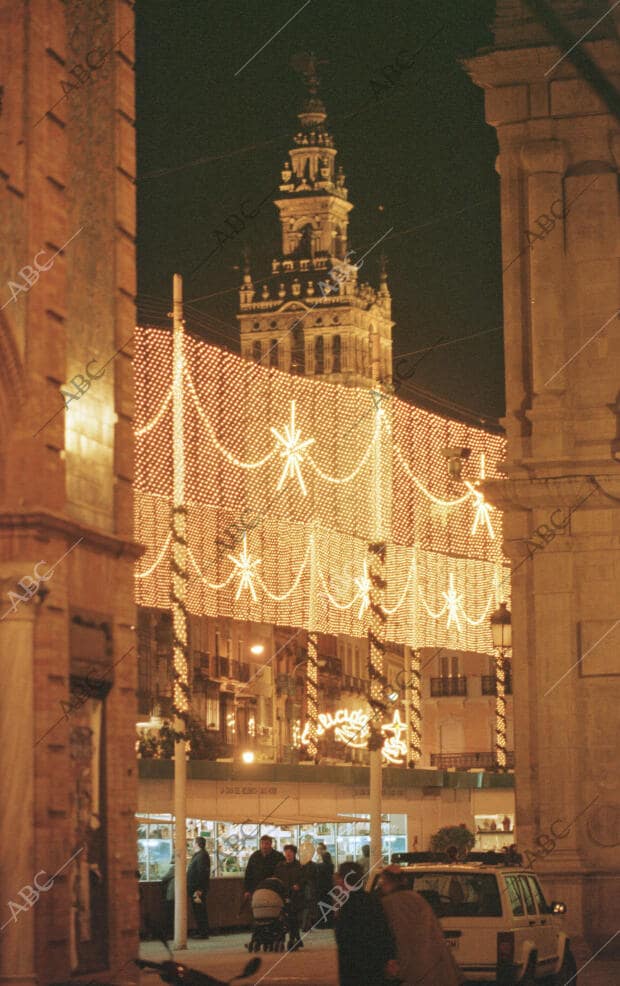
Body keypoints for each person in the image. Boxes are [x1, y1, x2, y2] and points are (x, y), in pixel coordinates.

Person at [378, 865, 465, 986]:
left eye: (382, 881)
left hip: (417, 973)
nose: (381, 885)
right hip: (436, 968)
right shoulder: (417, 899)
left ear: (388, 882)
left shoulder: (390, 903)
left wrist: (398, 970)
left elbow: (401, 939)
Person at [333, 862, 397, 986]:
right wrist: (389, 957)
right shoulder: (372, 900)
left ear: (342, 879)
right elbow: (385, 931)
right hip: (375, 966)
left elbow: (345, 940)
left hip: (355, 969)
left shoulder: (348, 905)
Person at [274, 844, 305, 949]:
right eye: (286, 852)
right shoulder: (280, 866)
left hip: (295, 896)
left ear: (294, 854)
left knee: (293, 918)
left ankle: (293, 938)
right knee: (282, 918)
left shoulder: (299, 866)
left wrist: (299, 885)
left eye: (290, 852)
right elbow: (276, 879)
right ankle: (293, 938)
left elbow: (304, 879)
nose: (288, 854)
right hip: (282, 894)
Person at [187, 836, 210, 939]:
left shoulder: (201, 856)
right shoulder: (200, 855)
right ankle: (202, 931)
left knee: (200, 910)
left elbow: (202, 873)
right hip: (196, 888)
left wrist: (199, 889)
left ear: (196, 844)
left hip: (197, 889)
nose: (192, 844)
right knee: (198, 910)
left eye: (193, 842)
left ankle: (203, 932)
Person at [315, 842, 335, 927]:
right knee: (328, 904)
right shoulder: (331, 865)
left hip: (321, 888)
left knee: (321, 905)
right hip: (329, 887)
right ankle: (329, 922)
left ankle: (322, 923)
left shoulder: (320, 866)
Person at [160, 861, 174, 940]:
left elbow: (165, 878)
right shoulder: (178, 867)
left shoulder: (174, 868)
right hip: (175, 895)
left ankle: (170, 934)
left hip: (172, 895)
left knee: (169, 915)